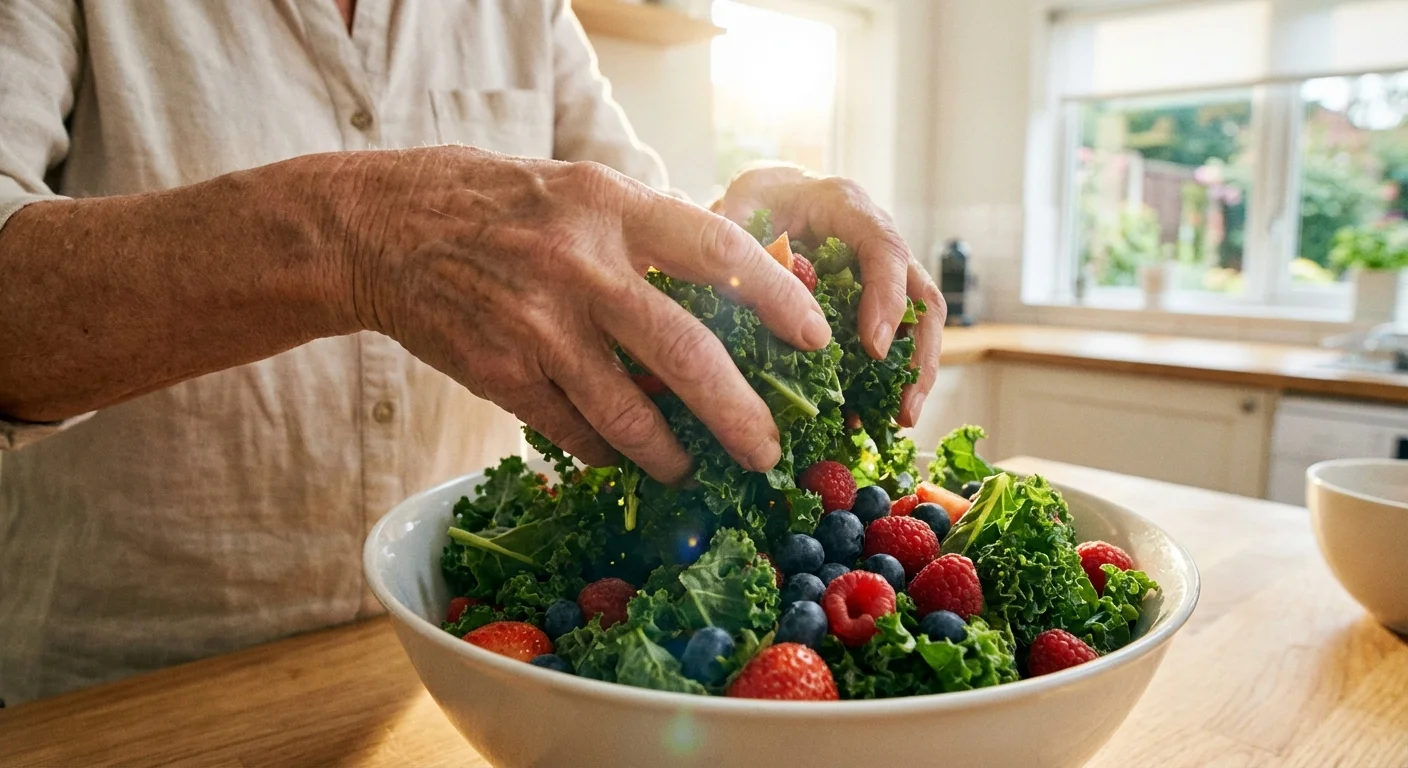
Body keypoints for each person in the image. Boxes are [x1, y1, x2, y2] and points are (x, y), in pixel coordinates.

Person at [0, 0, 943, 704]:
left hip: (467, 677)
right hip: (129, 696)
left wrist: (756, 238)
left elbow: (626, 233)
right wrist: (361, 233)